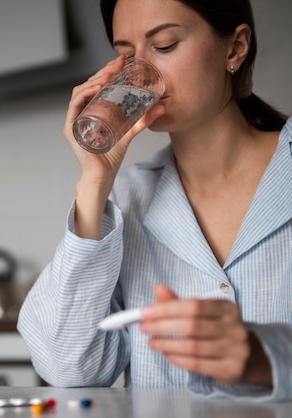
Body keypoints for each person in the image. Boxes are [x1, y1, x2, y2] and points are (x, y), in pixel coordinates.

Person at [17, 0, 291, 403]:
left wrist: (262, 357)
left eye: (163, 45)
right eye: (125, 55)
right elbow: (67, 365)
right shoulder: (127, 198)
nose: (138, 75)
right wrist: (95, 183)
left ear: (234, 49)